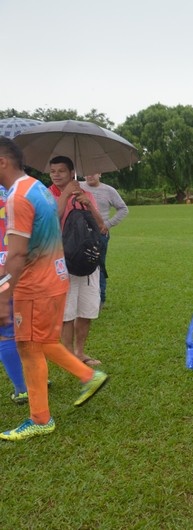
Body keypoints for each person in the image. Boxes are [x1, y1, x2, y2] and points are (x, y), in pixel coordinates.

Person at [0, 138, 108, 441]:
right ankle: (85, 378)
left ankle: (42, 417)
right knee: (36, 343)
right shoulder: (36, 188)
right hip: (54, 278)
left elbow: (17, 254)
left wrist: (4, 296)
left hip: (35, 284)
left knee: (29, 345)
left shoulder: (18, 197)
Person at [48, 156, 107, 367]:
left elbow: (101, 227)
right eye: (53, 171)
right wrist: (65, 194)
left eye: (61, 171)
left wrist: (88, 204)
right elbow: (52, 220)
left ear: (72, 173)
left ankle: (80, 352)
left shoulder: (85, 194)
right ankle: (68, 356)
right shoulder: (46, 195)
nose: (56, 175)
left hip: (88, 259)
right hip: (62, 261)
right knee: (67, 312)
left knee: (87, 309)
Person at [80, 173, 129, 307]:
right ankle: (83, 297)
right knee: (78, 264)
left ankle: (100, 297)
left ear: (100, 173)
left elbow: (123, 209)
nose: (90, 176)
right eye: (87, 173)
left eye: (93, 172)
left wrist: (107, 224)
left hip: (99, 234)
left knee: (98, 265)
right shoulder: (77, 186)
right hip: (80, 233)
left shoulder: (108, 190)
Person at [0, 183, 27, 404]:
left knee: (6, 332)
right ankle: (35, 376)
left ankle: (22, 388)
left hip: (3, 270)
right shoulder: (17, 188)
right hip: (24, 266)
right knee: (26, 328)